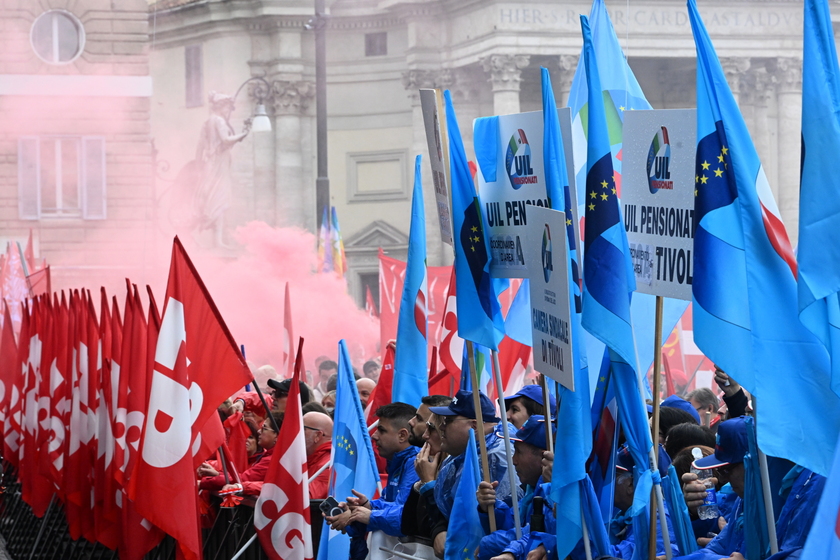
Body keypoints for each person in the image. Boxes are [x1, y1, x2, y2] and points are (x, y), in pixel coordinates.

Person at [427, 390, 523, 558]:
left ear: (473, 426)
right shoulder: (466, 454)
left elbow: (505, 521)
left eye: (448, 421)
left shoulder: (497, 458)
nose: (441, 426)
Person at [328, 402, 421, 560]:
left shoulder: (415, 463)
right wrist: (365, 507)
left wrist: (363, 515)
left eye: (382, 430)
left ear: (402, 435)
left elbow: (404, 517)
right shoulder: (397, 462)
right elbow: (390, 507)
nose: (374, 435)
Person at [476, 415, 556, 560]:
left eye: (518, 452)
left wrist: (488, 545)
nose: (513, 461)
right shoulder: (531, 491)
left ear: (543, 456)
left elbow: (534, 533)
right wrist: (489, 507)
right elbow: (513, 523)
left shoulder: (554, 493)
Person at [193, 91, 251, 246]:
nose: (228, 111)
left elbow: (199, 148)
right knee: (220, 199)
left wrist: (199, 166)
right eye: (227, 108)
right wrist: (243, 134)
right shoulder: (218, 120)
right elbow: (226, 140)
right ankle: (215, 240)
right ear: (221, 106)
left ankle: (216, 241)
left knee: (214, 199)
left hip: (212, 163)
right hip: (219, 164)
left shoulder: (207, 122)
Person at [207, 412, 282, 496]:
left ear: (277, 436)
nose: (259, 431)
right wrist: (217, 474)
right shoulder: (269, 456)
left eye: (264, 428)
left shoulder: (272, 459)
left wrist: (204, 482)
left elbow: (243, 478)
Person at [303, 411, 333, 500]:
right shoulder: (309, 457)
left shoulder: (329, 465)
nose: (296, 433)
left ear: (317, 435)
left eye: (302, 428)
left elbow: (308, 496)